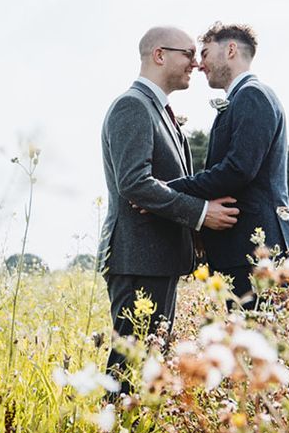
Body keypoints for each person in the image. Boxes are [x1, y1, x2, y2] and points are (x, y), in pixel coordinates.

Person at [98, 25, 239, 382]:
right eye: (188, 54)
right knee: (129, 368)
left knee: (149, 365)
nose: (196, 63)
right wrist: (202, 214)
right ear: (160, 55)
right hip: (138, 259)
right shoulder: (132, 106)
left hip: (157, 259)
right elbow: (134, 183)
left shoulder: (161, 111)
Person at [169, 22, 289, 308]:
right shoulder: (243, 97)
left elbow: (237, 170)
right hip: (246, 252)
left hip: (257, 252)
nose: (200, 65)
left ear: (230, 50)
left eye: (204, 53)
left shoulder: (252, 95)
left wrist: (166, 191)